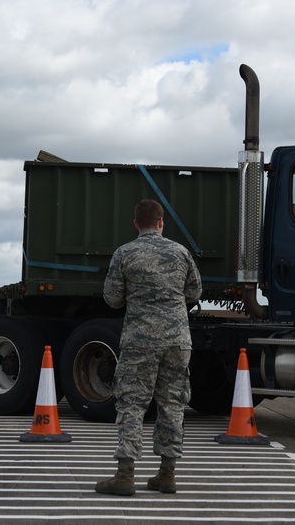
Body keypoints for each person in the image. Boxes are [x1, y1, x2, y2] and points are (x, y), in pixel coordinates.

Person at [95, 199, 202, 496]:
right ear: (161, 222)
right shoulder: (181, 252)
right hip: (177, 340)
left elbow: (112, 298)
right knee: (172, 403)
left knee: (131, 403)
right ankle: (167, 474)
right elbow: (194, 292)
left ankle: (125, 475)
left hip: (140, 340)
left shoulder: (125, 253)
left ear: (135, 224)